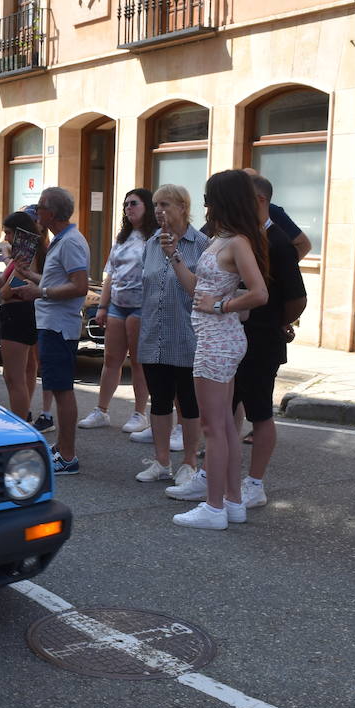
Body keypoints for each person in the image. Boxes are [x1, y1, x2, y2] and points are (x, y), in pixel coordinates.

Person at [165, 170, 268, 530]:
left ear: (224, 200)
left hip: (218, 340)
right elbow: (197, 288)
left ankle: (213, 508)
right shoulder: (223, 238)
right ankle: (232, 503)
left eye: (209, 197)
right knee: (223, 423)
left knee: (214, 426)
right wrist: (175, 257)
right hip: (214, 338)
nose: (205, 204)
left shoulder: (237, 241)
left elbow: (259, 293)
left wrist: (222, 306)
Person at [233, 174, 308, 511]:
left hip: (262, 341)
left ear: (261, 201)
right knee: (223, 409)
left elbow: (297, 299)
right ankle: (213, 473)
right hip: (234, 338)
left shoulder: (277, 242)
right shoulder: (244, 239)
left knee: (260, 412)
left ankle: (255, 483)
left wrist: (277, 322)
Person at [12, 188, 90, 475]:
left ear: (52, 213)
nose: (36, 211)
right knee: (58, 389)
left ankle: (68, 456)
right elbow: (58, 279)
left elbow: (79, 285)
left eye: (40, 206)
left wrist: (39, 291)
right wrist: (31, 276)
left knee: (62, 390)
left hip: (59, 326)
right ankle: (63, 448)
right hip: (52, 324)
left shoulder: (69, 242)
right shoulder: (63, 240)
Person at [135, 185, 209, 486]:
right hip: (154, 334)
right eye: (155, 205)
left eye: (165, 204)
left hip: (187, 335)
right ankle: (161, 461)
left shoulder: (202, 244)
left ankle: (189, 463)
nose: (158, 210)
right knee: (160, 400)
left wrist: (174, 255)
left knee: (189, 403)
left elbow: (203, 289)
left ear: (182, 207)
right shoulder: (151, 243)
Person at [80, 189, 156, 434]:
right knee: (111, 360)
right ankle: (101, 410)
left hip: (141, 306)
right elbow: (110, 275)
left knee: (138, 362)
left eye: (134, 203)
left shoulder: (155, 237)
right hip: (117, 306)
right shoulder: (122, 238)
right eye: (125, 204)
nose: (128, 208)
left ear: (147, 206)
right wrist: (102, 306)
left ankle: (139, 413)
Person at [0, 210, 42, 420]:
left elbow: (8, 290)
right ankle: (22, 418)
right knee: (16, 375)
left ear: (19, 233)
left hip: (18, 314)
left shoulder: (27, 256)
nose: (5, 238)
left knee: (14, 377)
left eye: (8, 233)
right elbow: (5, 286)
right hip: (16, 312)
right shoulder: (21, 255)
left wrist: (6, 287)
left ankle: (21, 422)